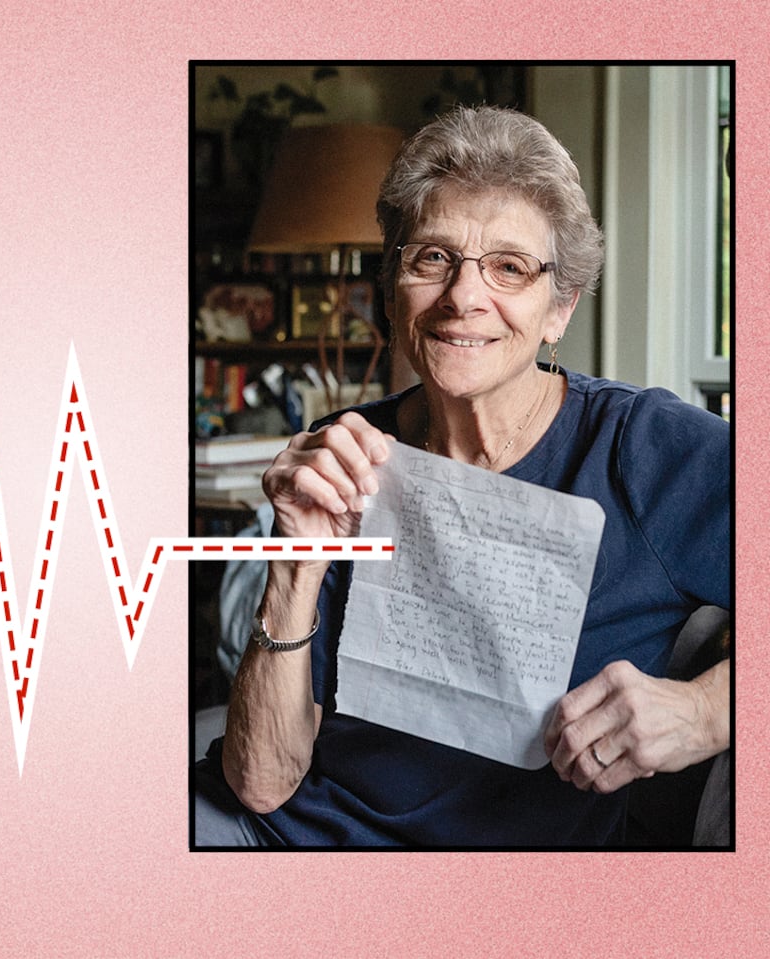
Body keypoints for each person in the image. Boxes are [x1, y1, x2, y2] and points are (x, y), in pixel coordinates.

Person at [196, 106, 730, 846]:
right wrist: (297, 561)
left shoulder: (643, 447)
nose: (463, 297)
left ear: (560, 307)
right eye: (431, 259)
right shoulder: (350, 453)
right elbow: (261, 781)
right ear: (392, 292)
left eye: (509, 267)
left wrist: (709, 710)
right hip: (292, 841)